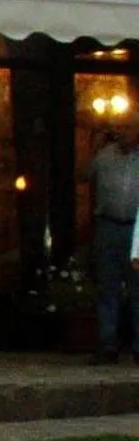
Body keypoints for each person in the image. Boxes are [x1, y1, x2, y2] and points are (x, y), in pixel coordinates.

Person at [86, 115, 139, 362]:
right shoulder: (105, 155)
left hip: (136, 228)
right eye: (122, 127)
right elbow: (85, 176)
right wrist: (94, 145)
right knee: (108, 286)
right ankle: (108, 344)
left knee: (137, 286)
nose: (124, 133)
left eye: (129, 128)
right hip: (108, 225)